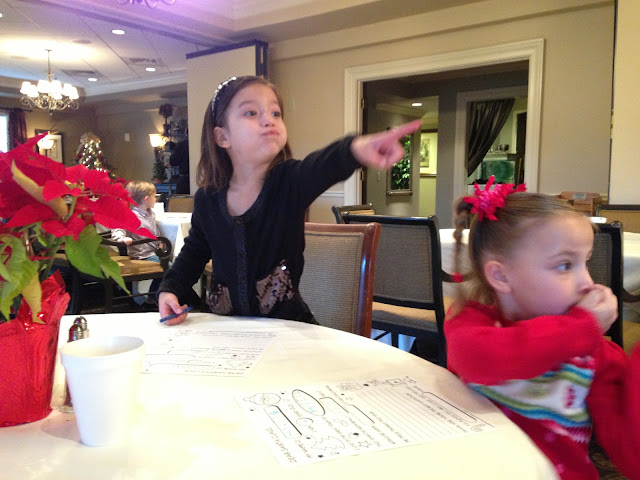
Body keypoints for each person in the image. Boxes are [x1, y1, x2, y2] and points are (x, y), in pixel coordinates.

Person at [157, 75, 420, 325]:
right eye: (251, 112)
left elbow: (320, 167)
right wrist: (171, 289)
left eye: (275, 113)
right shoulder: (208, 198)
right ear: (222, 137)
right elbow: (194, 252)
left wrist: (354, 150)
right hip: (226, 328)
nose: (268, 120)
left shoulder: (290, 182)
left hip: (287, 327)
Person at [445, 177, 640, 480]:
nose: (587, 282)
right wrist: (582, 326)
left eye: (586, 262)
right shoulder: (471, 322)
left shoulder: (594, 355)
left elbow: (632, 457)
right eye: (565, 265)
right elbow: (484, 359)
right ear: (501, 276)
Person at [112, 180, 163, 305]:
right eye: (154, 197)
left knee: (169, 265)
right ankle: (152, 296)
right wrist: (122, 238)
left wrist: (159, 241)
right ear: (146, 199)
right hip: (142, 255)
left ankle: (152, 295)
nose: (155, 199)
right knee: (169, 267)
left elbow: (153, 230)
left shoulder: (150, 214)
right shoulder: (131, 215)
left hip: (152, 251)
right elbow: (118, 228)